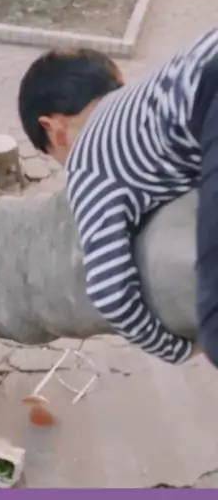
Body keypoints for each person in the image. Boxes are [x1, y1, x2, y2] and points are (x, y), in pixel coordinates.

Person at [17, 32, 218, 367]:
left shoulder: (87, 166)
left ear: (53, 129)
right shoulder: (148, 94)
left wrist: (180, 349)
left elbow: (110, 293)